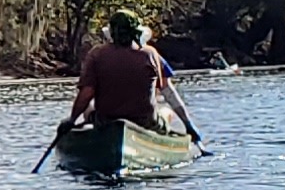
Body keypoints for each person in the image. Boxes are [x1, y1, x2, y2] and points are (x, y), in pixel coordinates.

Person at [67, 10, 201, 138]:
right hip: (145, 122)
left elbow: (86, 93)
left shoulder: (96, 54)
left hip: (106, 121)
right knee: (166, 112)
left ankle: (100, 137)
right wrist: (188, 125)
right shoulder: (151, 54)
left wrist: (71, 121)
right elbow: (167, 91)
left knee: (88, 108)